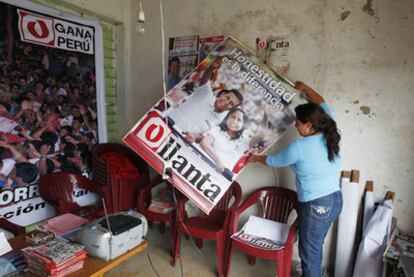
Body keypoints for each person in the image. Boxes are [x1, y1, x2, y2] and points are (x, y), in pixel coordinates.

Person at [248, 81, 342, 277]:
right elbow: (321, 102)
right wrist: (306, 88)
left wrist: (254, 158)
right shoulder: (328, 129)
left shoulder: (299, 148)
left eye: (298, 122)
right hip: (334, 200)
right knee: (315, 247)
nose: (295, 125)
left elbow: (273, 161)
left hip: (317, 204)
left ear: (309, 126)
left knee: (309, 253)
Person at [168, 57, 243, 143]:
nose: (226, 102)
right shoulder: (206, 93)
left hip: (179, 140)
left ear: (230, 109)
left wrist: (194, 137)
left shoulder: (219, 119)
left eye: (231, 103)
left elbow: (202, 135)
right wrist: (211, 67)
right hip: (167, 122)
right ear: (223, 94)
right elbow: (205, 79)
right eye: (227, 97)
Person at [199, 107, 267, 180]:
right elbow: (204, 143)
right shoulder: (218, 130)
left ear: (243, 125)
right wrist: (221, 164)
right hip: (204, 167)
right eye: (232, 117)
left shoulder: (244, 141)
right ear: (227, 118)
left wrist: (266, 117)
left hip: (221, 177)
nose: (234, 121)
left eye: (239, 120)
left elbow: (262, 135)